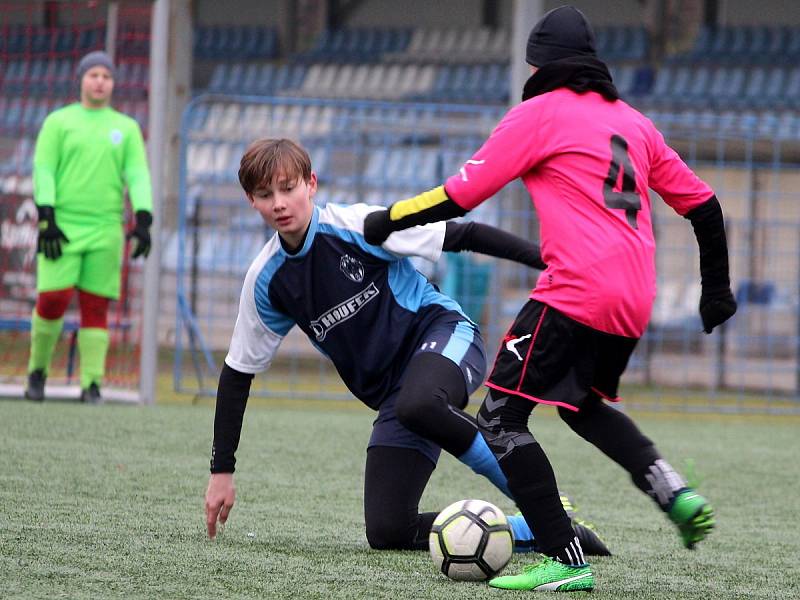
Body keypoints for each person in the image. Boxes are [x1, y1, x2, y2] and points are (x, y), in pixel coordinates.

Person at [363, 5, 736, 592]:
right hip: (634, 296)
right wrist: (716, 290)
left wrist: (389, 218)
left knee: (499, 416)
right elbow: (706, 206)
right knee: (580, 405)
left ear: (538, 63)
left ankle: (565, 559)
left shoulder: (538, 114)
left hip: (576, 289)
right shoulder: (634, 123)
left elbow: (462, 194)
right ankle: (672, 489)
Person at [203, 138, 611, 557]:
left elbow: (463, 233)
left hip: (447, 335)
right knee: (387, 531)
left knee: (421, 403)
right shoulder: (267, 281)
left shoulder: (359, 226)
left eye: (288, 188)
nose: (279, 203)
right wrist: (222, 470)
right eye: (265, 194)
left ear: (311, 184)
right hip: (397, 398)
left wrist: (550, 260)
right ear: (251, 201)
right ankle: (531, 531)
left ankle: (549, 510)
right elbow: (237, 374)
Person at [25, 50, 153, 404]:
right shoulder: (58, 122)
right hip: (61, 226)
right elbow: (44, 169)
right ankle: (37, 372)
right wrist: (46, 216)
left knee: (96, 307)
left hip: (106, 228)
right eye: (93, 74)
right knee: (53, 299)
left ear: (114, 82)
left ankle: (91, 384)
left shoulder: (125, 128)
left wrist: (144, 217)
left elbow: (138, 174)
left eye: (106, 76)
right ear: (81, 79)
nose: (100, 81)